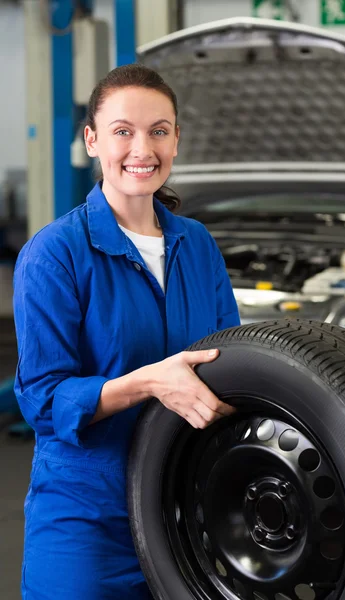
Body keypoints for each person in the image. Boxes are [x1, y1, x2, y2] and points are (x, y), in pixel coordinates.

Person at [12, 63, 240, 600]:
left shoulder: (198, 244)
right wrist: (148, 382)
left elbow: (231, 359)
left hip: (188, 515)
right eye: (123, 131)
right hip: (89, 520)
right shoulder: (54, 254)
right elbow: (44, 401)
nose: (143, 148)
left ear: (177, 139)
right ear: (92, 140)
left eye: (158, 130)